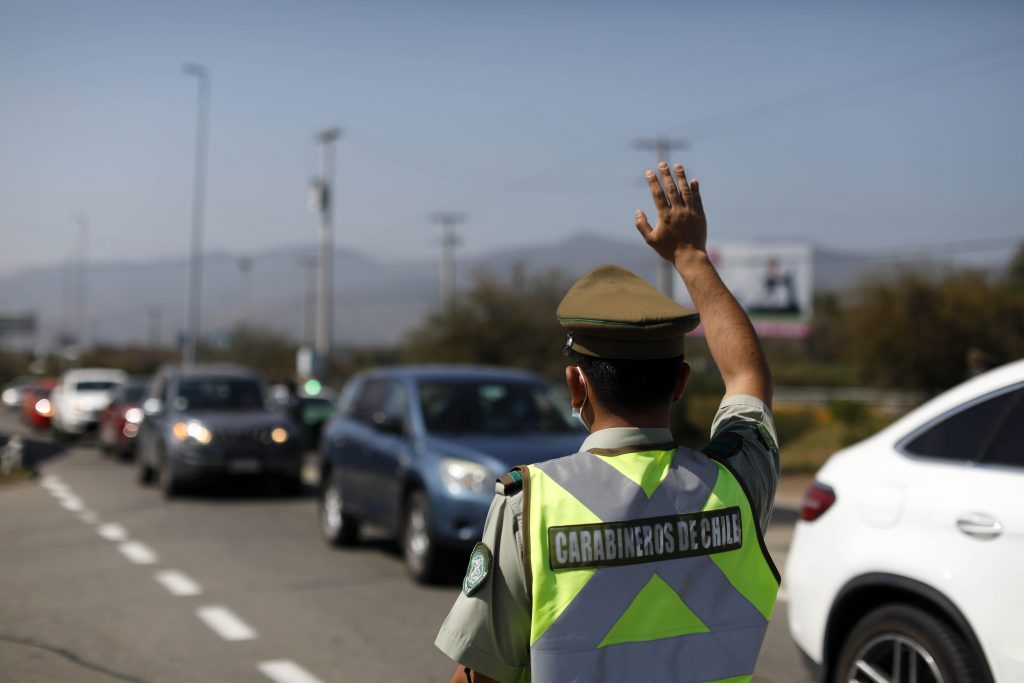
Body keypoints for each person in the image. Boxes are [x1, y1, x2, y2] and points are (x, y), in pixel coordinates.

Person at [435, 162, 781, 683]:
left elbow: (481, 676)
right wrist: (691, 257)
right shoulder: (737, 483)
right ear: (681, 382)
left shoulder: (530, 505)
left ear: (577, 385)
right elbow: (747, 376)